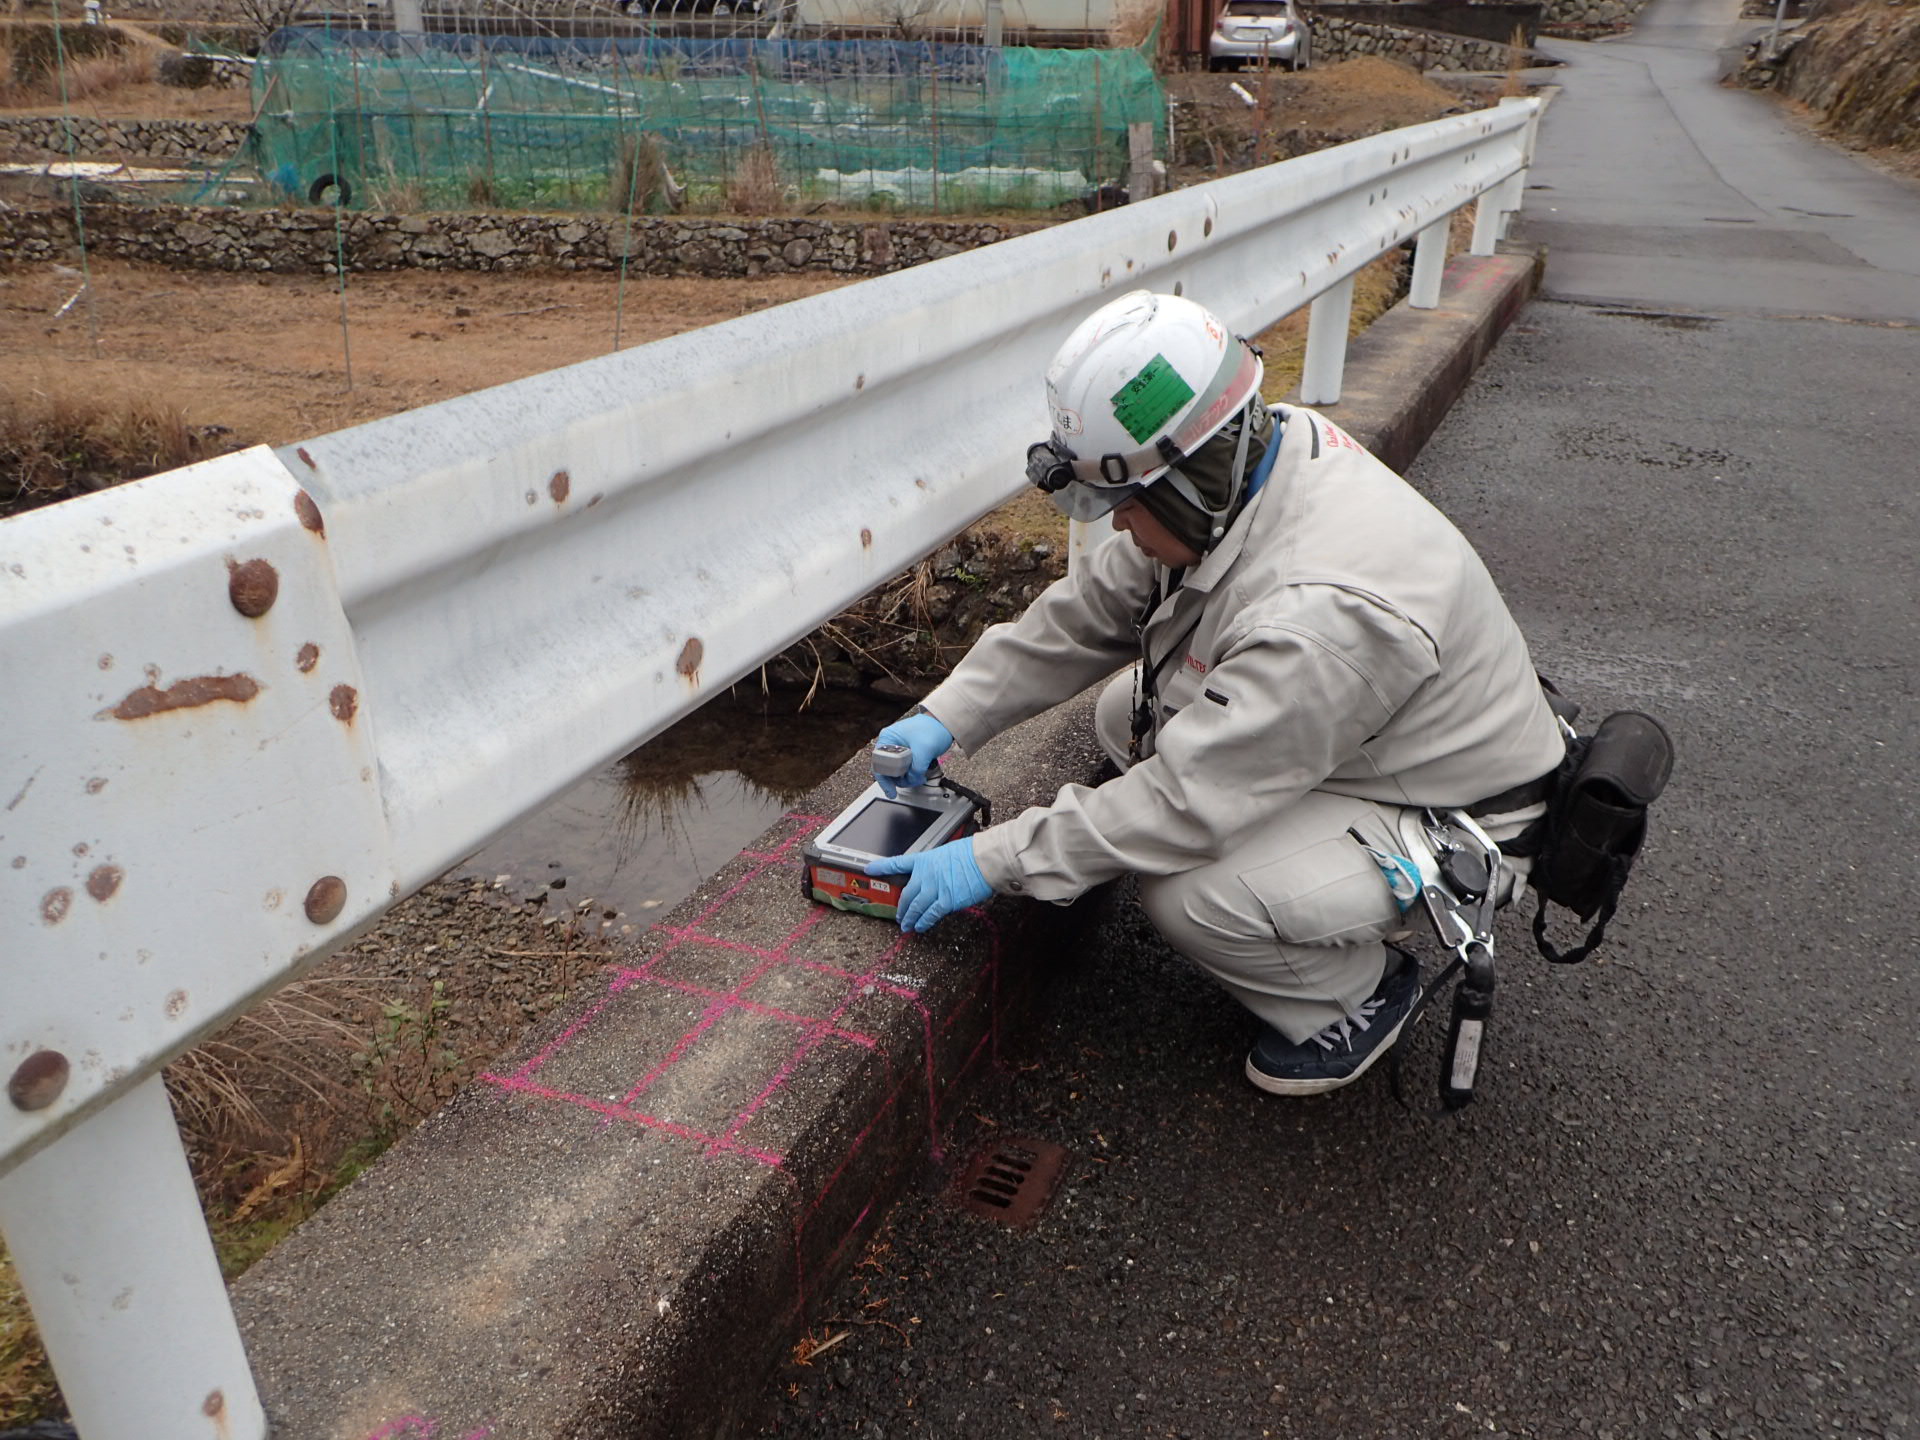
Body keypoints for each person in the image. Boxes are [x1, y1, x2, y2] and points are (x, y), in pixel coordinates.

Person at [863, 290, 1564, 1096]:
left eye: (1122, 504)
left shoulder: (1323, 611)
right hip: (1376, 742)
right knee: (1120, 710)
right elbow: (1089, 609)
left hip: (1465, 814)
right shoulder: (1244, 461)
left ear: (1185, 481)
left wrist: (991, 860)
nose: (1117, 525)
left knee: (1188, 891)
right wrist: (947, 714)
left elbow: (1184, 806)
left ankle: (1354, 998)